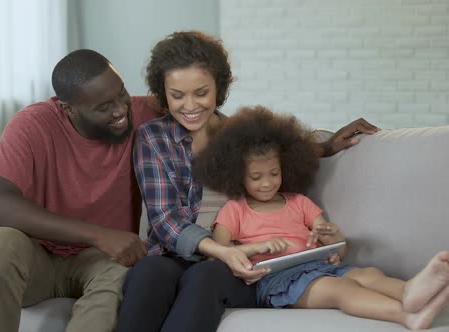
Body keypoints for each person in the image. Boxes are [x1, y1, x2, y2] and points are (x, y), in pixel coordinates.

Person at [116, 30, 381, 332]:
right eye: (177, 96)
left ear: (219, 87)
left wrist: (324, 147)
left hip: (240, 260)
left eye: (201, 93)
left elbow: (272, 160)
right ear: (164, 94)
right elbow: (164, 221)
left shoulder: (242, 136)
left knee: (207, 275)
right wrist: (222, 251)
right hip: (179, 253)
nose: (190, 106)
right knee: (148, 271)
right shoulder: (153, 137)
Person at [193, 105, 449, 330]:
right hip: (278, 282)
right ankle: (407, 316)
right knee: (339, 290)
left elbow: (337, 245)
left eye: (274, 173)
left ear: (285, 166)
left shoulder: (299, 202)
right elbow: (218, 252)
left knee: (368, 274)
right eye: (256, 177)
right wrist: (255, 249)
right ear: (237, 175)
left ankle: (409, 292)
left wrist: (331, 238)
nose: (267, 183)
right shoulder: (235, 210)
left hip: (320, 267)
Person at [0, 49, 161, 332]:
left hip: (101, 262)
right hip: (38, 258)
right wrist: (99, 234)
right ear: (68, 109)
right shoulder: (33, 124)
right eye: (104, 106)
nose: (121, 110)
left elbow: (207, 116)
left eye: (121, 93)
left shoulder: (144, 113)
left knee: (121, 273)